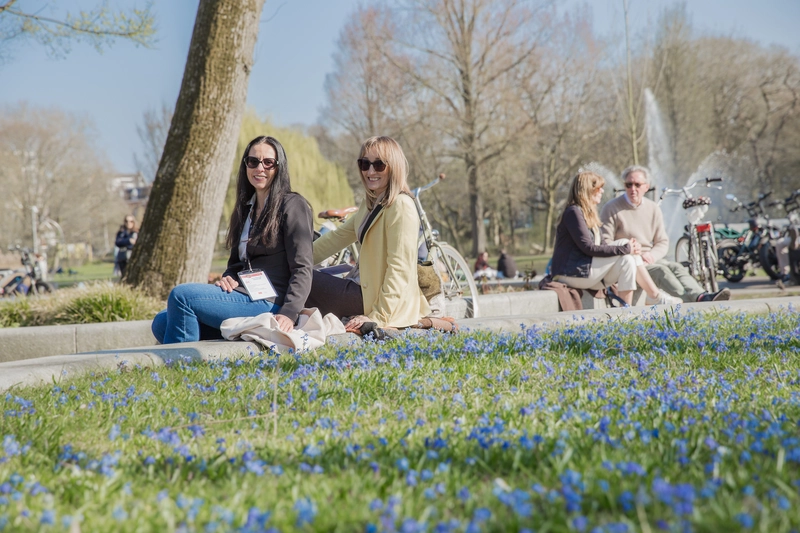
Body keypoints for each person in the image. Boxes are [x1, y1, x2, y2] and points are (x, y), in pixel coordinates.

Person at [151, 136, 314, 343]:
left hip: (269, 301)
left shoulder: (293, 205)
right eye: (253, 161)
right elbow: (237, 263)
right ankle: (202, 362)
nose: (259, 168)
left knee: (181, 296)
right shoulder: (246, 209)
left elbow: (303, 267)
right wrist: (229, 277)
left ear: (278, 167)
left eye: (268, 162)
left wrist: (289, 312)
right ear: (246, 165)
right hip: (243, 293)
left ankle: (181, 368)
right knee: (161, 322)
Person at [306, 136, 431, 333]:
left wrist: (378, 316)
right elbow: (335, 239)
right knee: (295, 273)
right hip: (362, 291)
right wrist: (294, 260)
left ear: (394, 167)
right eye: (365, 164)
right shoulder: (370, 204)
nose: (370, 171)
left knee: (300, 279)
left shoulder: (401, 206)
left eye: (379, 165)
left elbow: (399, 268)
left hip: (374, 301)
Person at [600, 165, 731, 302]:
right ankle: (693, 301)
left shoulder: (652, 208)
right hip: (628, 263)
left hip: (648, 259)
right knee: (661, 271)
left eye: (637, 185)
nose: (633, 189)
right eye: (628, 185)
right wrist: (631, 254)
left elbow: (662, 241)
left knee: (676, 266)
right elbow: (606, 243)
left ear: (646, 186)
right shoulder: (611, 208)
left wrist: (651, 255)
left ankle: (701, 295)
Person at [551, 171, 680, 306]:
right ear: (588, 189)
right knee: (625, 245)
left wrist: (628, 250)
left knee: (628, 261)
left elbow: (603, 244)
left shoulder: (589, 213)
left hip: (586, 273)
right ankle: (655, 296)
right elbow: (588, 248)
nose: (602, 191)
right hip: (570, 274)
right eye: (598, 187)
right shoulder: (573, 212)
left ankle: (625, 313)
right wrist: (626, 247)